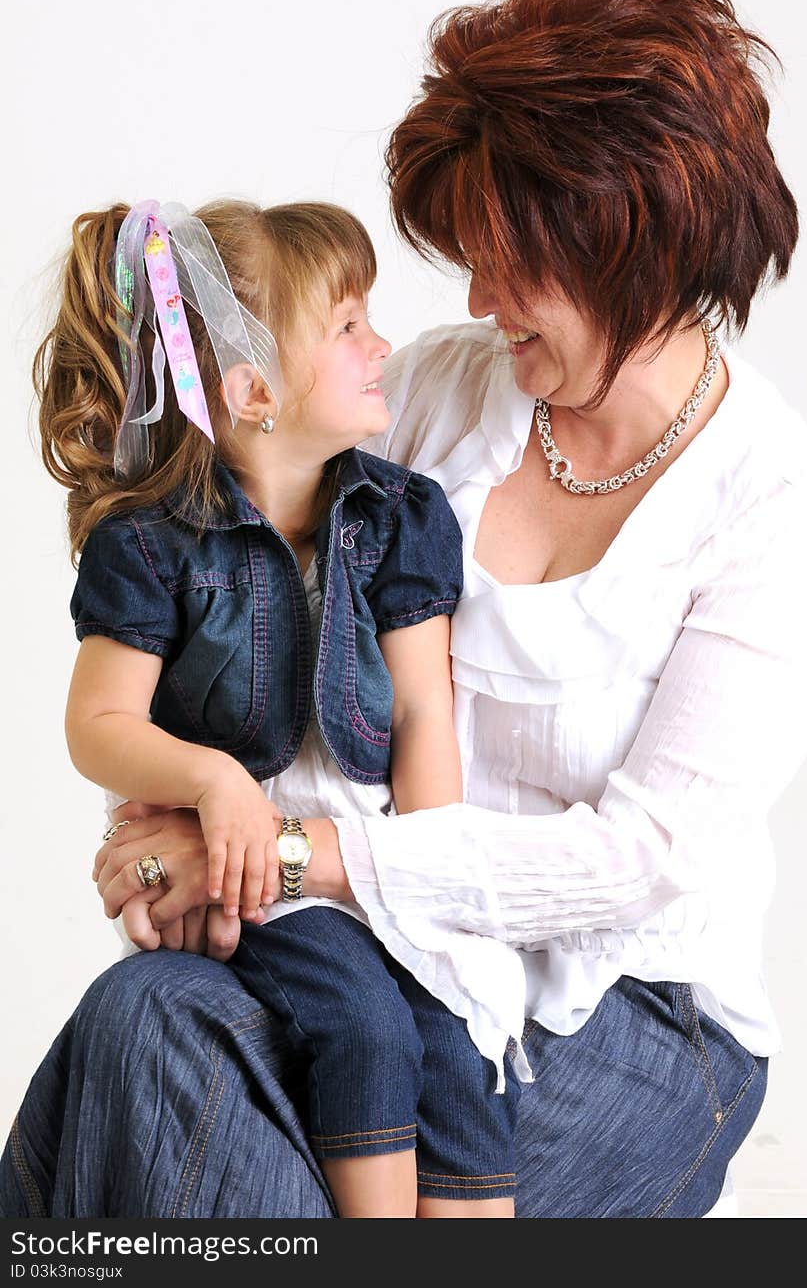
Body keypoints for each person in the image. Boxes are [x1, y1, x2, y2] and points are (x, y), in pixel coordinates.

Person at [1, 0, 807, 1219]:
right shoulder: (430, 400)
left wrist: (292, 856)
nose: (472, 300)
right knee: (141, 1017)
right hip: (358, 951)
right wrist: (171, 838)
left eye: (511, 259)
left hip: (619, 1006)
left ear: (632, 236)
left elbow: (638, 859)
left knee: (240, 1161)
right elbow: (228, 579)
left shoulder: (781, 508)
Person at [31, 196, 524, 1218]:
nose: (381, 343)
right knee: (363, 1026)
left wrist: (430, 883)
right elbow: (99, 726)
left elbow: (424, 715)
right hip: (261, 872)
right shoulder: (154, 542)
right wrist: (213, 781)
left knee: (454, 1032)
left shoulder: (398, 518)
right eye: (348, 327)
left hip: (376, 856)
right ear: (254, 392)